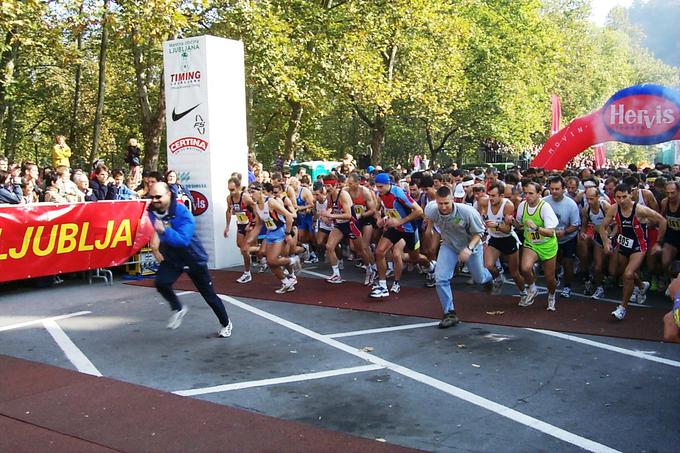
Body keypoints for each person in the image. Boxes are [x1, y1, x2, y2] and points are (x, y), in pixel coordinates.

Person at [148, 182, 233, 337]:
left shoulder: (183, 213)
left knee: (209, 295)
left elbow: (183, 240)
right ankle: (178, 308)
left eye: (158, 197)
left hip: (193, 258)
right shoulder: (152, 210)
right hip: (173, 257)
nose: (154, 200)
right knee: (161, 283)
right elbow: (157, 227)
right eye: (151, 196)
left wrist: (164, 230)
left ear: (169, 195)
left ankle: (226, 323)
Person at [424, 185, 492, 328]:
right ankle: (449, 313)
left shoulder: (467, 212)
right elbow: (430, 220)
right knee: (441, 278)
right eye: (440, 203)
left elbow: (479, 234)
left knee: (479, 278)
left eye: (446, 203)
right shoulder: (431, 209)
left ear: (453, 200)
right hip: (449, 245)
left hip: (471, 246)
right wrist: (429, 230)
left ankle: (490, 276)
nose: (443, 207)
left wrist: (468, 249)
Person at [600, 183, 666, 320]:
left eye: (624, 196)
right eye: (618, 197)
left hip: (639, 245)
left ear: (631, 195)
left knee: (628, 274)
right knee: (628, 273)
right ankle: (642, 285)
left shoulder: (640, 209)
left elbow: (662, 220)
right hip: (624, 244)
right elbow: (603, 227)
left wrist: (658, 243)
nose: (621, 200)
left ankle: (622, 307)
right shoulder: (613, 209)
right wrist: (606, 241)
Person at [517, 181, 559, 310]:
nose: (527, 196)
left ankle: (551, 295)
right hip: (531, 243)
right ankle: (533, 288)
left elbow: (551, 232)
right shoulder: (522, 206)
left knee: (549, 278)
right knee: (525, 268)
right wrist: (511, 221)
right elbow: (519, 224)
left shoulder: (545, 207)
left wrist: (535, 228)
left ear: (539, 194)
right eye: (525, 193)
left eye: (531, 193)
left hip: (547, 245)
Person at [542, 176, 581, 298]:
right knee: (551, 263)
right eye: (552, 189)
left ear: (563, 189)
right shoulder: (544, 202)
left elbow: (575, 225)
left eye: (557, 189)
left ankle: (568, 286)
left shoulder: (571, 204)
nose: (554, 191)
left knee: (567, 262)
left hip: (567, 237)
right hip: (550, 237)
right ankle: (555, 277)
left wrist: (564, 231)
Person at [224, 176, 258, 283]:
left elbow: (256, 210)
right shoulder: (229, 198)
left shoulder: (245, 197)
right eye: (229, 189)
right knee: (240, 245)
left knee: (244, 249)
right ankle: (263, 252)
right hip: (241, 224)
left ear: (238, 188)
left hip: (250, 224)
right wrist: (227, 226)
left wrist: (252, 223)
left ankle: (247, 273)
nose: (231, 192)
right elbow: (228, 211)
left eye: (233, 190)